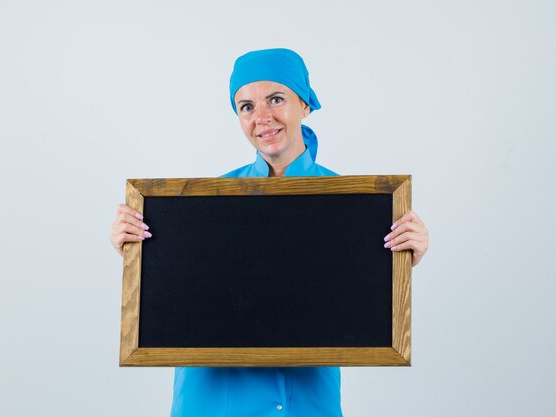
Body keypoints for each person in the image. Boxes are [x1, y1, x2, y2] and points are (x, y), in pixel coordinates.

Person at [110, 48, 429, 417]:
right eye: (246, 106)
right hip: (214, 403)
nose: (261, 117)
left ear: (305, 105)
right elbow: (179, 291)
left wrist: (405, 256)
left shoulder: (356, 205)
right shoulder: (200, 206)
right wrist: (139, 252)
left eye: (275, 99)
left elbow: (357, 294)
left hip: (307, 405)